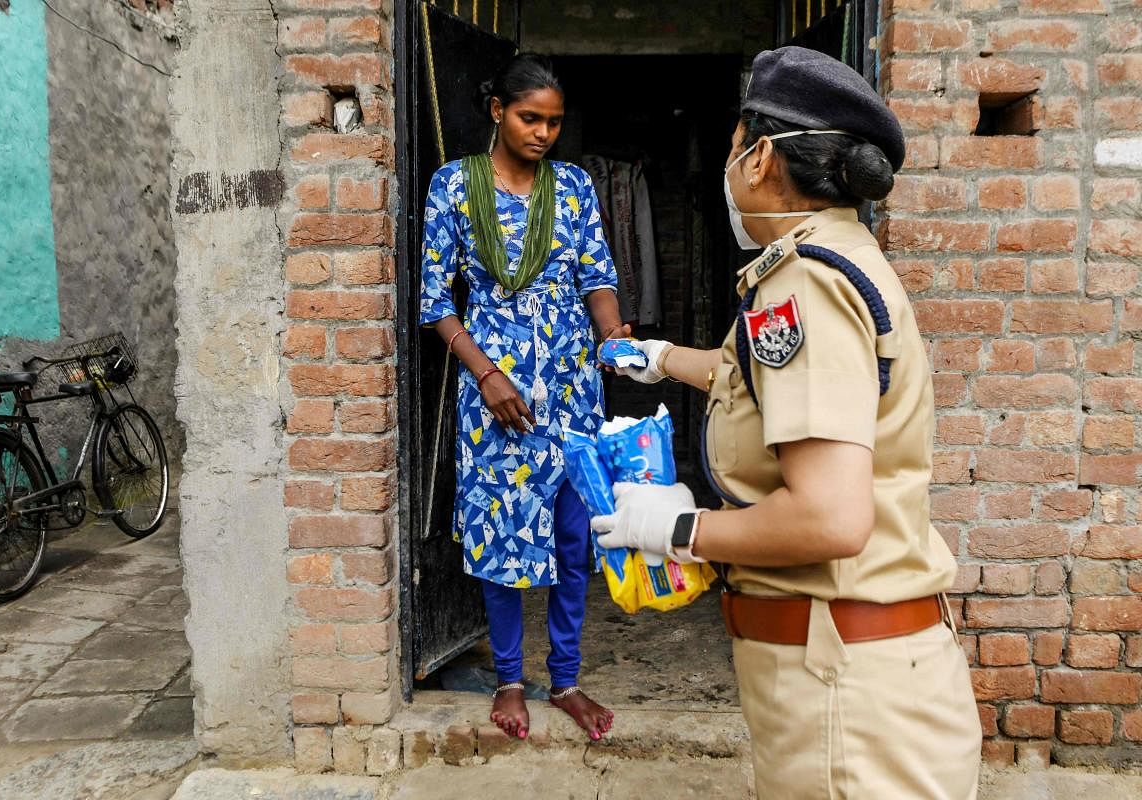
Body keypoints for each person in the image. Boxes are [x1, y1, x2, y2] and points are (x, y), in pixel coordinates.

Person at [593, 46, 982, 797]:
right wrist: (664, 357)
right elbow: (765, 383)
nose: (730, 164)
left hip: (849, 707)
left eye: (735, 146)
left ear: (762, 156)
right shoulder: (836, 256)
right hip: (850, 687)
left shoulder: (801, 284)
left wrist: (680, 531)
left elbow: (831, 518)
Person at [418, 54, 627, 742]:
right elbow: (435, 305)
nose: (543, 133)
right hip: (496, 393)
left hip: (572, 389)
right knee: (505, 536)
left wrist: (613, 334)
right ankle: (510, 677)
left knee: (573, 536)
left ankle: (564, 678)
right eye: (530, 118)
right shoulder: (454, 187)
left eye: (554, 122)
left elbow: (596, 275)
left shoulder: (572, 187)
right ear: (497, 111)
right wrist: (486, 374)